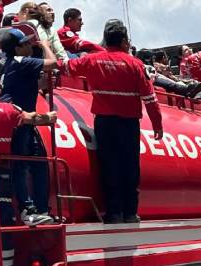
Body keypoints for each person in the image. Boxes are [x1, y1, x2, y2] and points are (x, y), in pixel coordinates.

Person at [59, 20, 163, 223]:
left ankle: (113, 212)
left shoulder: (93, 60)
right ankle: (130, 212)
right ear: (124, 40)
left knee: (109, 166)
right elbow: (150, 99)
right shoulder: (136, 64)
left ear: (106, 40)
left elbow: (66, 67)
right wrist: (157, 124)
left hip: (104, 123)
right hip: (129, 123)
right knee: (130, 167)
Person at [0, 73, 56, 266]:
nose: (1, 88)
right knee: (2, 225)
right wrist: (50, 117)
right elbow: (32, 118)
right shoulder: (6, 110)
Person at [0, 29, 57, 225]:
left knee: (34, 162)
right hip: (19, 120)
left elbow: (32, 81)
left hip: (18, 120)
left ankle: (39, 208)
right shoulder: (20, 61)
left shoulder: (10, 64)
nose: (29, 46)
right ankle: (27, 210)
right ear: (17, 48)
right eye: (25, 43)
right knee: (21, 164)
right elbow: (53, 63)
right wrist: (47, 47)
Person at [136, 48, 201, 98]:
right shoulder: (143, 67)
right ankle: (187, 90)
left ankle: (199, 92)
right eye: (151, 58)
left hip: (155, 78)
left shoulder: (149, 67)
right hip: (152, 80)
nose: (152, 60)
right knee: (174, 84)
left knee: (176, 83)